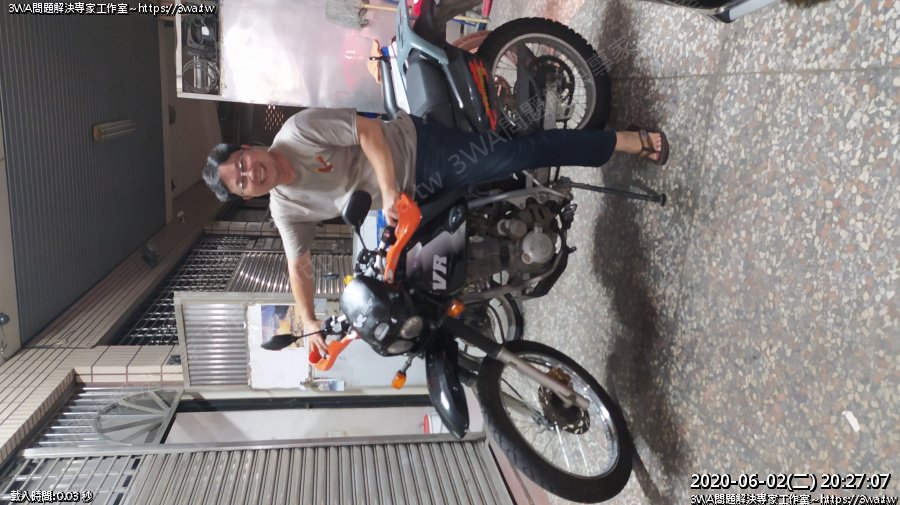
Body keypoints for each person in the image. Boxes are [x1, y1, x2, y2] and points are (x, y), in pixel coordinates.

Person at [202, 108, 668, 354]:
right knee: (425, 283)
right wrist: (308, 320)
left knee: (514, 156)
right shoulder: (284, 207)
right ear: (246, 195)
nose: (250, 174)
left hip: (417, 153)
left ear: (247, 148)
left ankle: (625, 141)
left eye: (242, 164)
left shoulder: (297, 132)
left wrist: (389, 190)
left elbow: (368, 132)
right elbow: (298, 263)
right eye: (241, 182)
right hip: (406, 208)